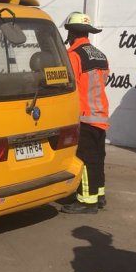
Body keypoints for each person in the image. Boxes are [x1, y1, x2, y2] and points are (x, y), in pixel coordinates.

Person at [60, 12, 110, 214]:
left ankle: (86, 202)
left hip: (84, 115)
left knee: (84, 159)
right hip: (100, 114)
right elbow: (104, 80)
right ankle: (98, 195)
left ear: (71, 32)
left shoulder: (74, 55)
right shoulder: (100, 55)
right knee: (97, 158)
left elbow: (67, 85)